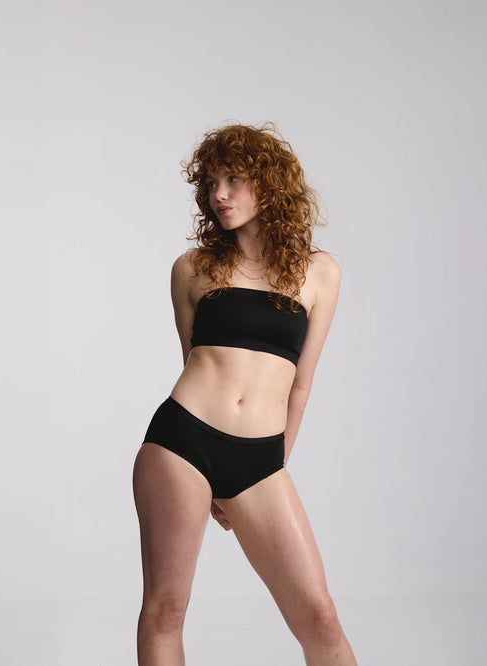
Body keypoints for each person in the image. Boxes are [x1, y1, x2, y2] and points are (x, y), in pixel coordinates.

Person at [132, 122, 357, 666]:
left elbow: (301, 382)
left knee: (320, 618)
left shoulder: (319, 273)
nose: (220, 194)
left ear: (270, 183)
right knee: (166, 611)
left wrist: (271, 463)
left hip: (259, 456)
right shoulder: (191, 269)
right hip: (181, 442)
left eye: (233, 179)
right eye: (211, 183)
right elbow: (191, 358)